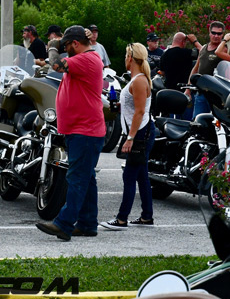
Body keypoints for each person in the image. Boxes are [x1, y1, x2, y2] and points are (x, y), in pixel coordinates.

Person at [35, 25, 106, 241]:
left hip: (85, 130)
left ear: (75, 43)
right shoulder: (84, 59)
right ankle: (87, 224)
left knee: (76, 178)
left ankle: (63, 224)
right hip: (83, 130)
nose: (65, 49)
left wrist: (52, 46)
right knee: (86, 178)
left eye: (66, 45)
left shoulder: (86, 59)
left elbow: (56, 65)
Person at [101, 43, 155, 230]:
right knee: (142, 176)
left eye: (126, 56)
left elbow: (140, 112)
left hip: (140, 132)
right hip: (140, 130)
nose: (125, 59)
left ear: (131, 58)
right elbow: (134, 107)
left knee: (129, 175)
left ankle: (121, 219)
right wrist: (118, 106)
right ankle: (147, 216)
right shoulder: (136, 80)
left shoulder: (139, 81)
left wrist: (130, 138)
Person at [185, 21, 227, 118]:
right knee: (197, 120)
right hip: (201, 92)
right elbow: (195, 69)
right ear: (209, 33)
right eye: (213, 33)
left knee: (217, 122)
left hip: (217, 94)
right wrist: (188, 88)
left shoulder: (224, 49)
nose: (216, 36)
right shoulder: (204, 48)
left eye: (219, 34)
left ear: (223, 35)